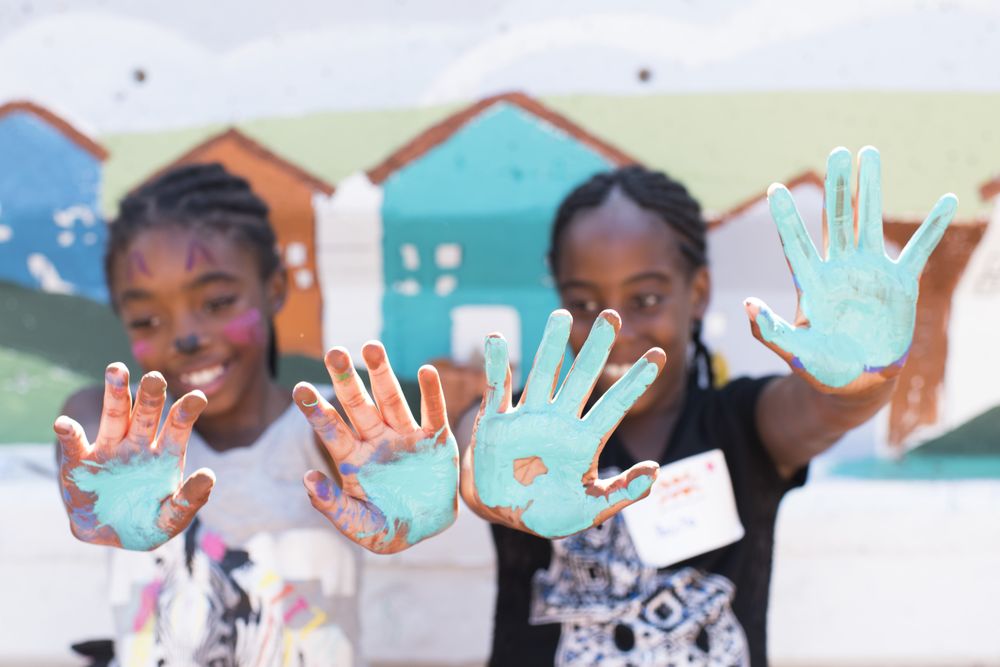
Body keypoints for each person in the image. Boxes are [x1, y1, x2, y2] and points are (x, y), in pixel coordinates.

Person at [458, 147, 957, 666]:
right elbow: (480, 458)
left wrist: (866, 378)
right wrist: (483, 475)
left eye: (646, 299)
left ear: (697, 293)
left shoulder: (744, 424)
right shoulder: (526, 439)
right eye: (585, 304)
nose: (616, 330)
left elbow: (823, 410)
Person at [54, 163, 459, 665]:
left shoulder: (324, 437)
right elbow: (85, 428)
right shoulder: (107, 427)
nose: (186, 336)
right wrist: (103, 487)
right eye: (147, 319)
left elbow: (379, 470)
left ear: (274, 289)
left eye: (218, 301)